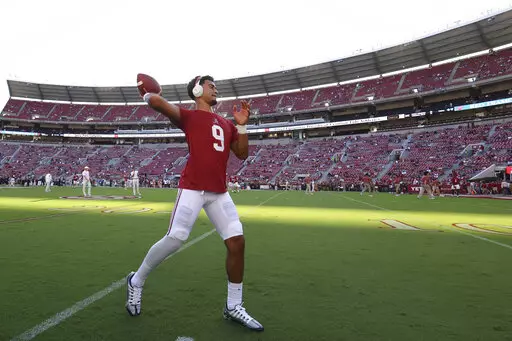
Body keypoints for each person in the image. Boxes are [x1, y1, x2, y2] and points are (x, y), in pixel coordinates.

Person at [125, 75, 263, 331]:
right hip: (192, 188)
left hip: (219, 191)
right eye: (210, 85)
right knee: (176, 238)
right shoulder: (189, 117)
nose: (215, 88)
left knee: (237, 241)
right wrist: (147, 92)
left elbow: (242, 153)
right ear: (197, 89)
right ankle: (137, 280)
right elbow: (158, 103)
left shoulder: (225, 122)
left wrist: (242, 126)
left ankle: (233, 305)